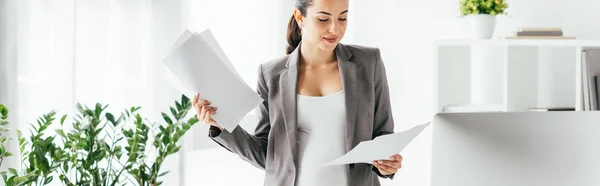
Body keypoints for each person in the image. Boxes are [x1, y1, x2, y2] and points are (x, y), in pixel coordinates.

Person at [191, 0, 402, 185]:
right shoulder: (270, 75)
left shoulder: (368, 62)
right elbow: (268, 154)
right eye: (323, 19)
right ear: (300, 17)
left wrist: (387, 162)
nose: (334, 29)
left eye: (343, 18)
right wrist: (221, 127)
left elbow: (383, 133)